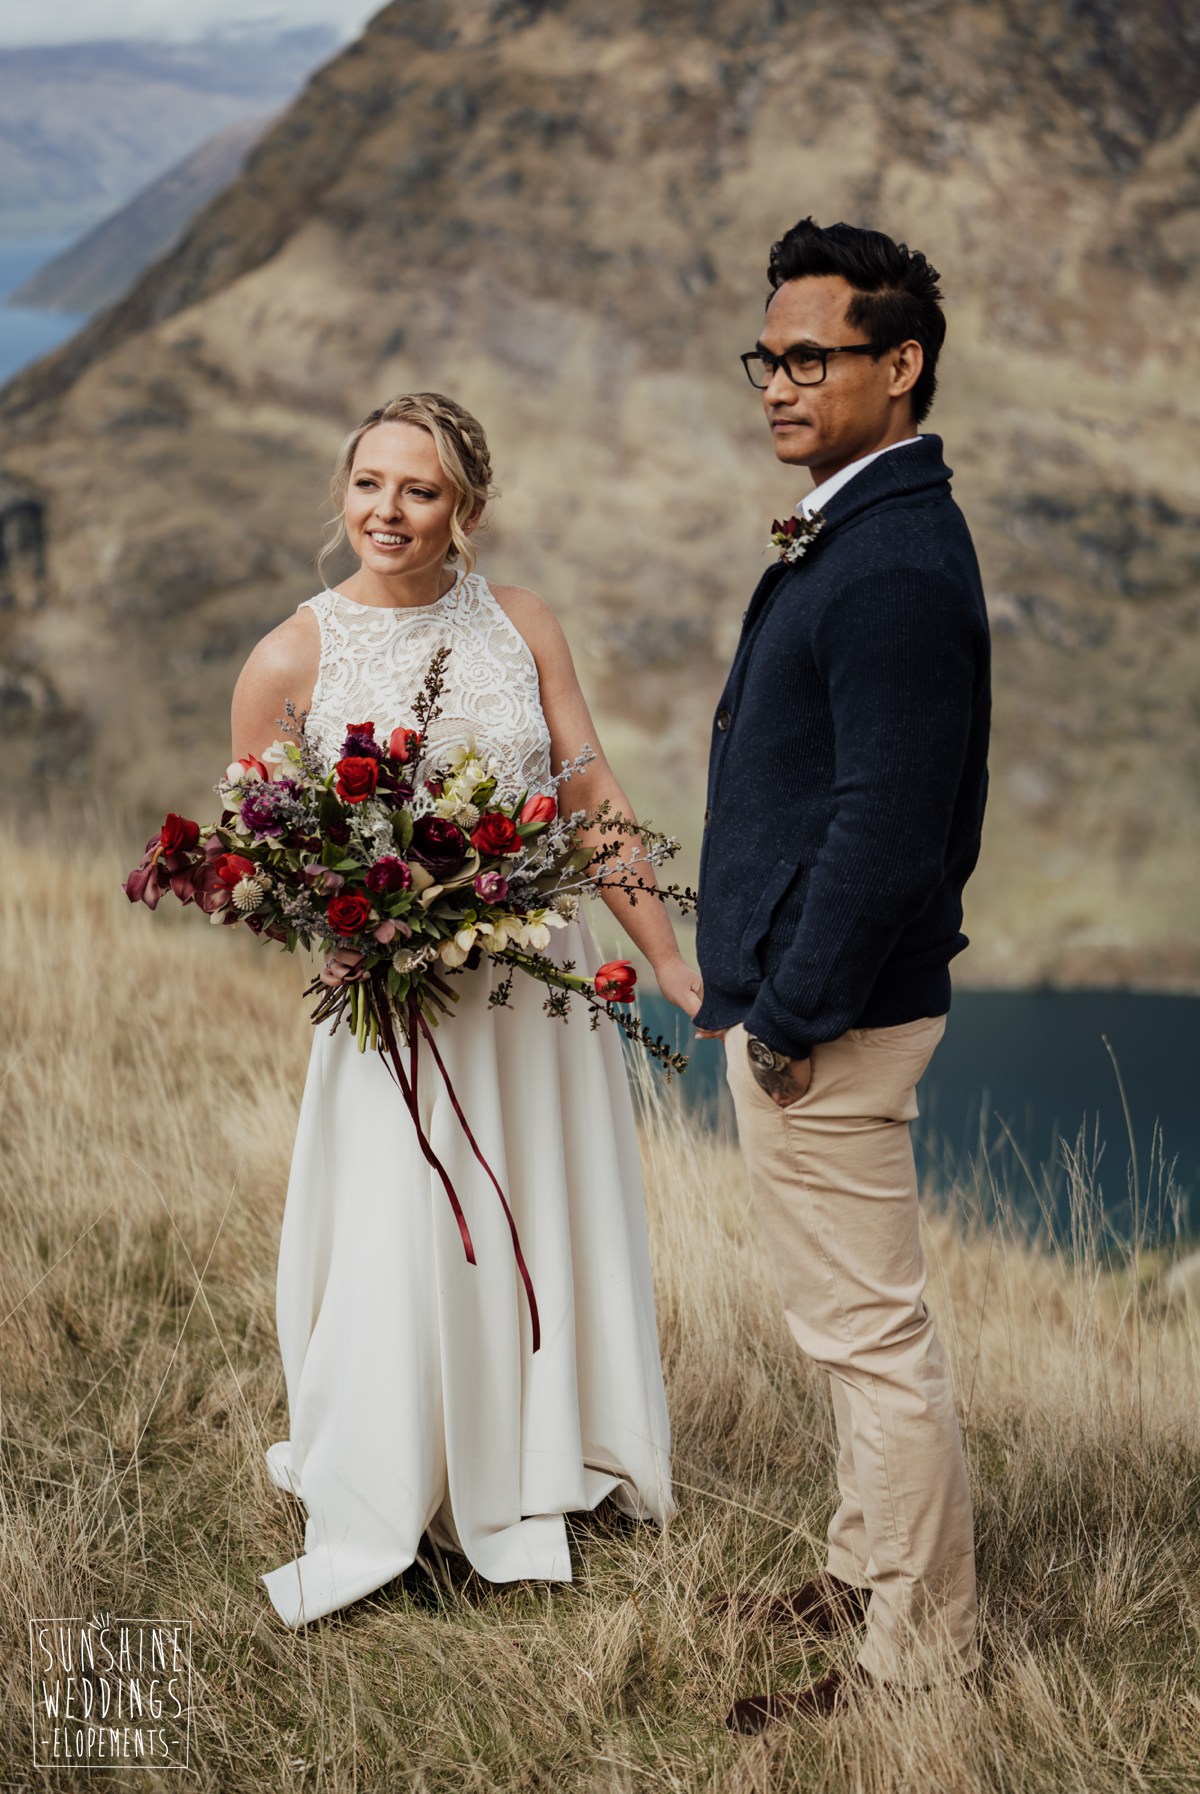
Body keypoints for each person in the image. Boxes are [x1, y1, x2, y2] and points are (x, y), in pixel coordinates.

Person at [232, 392, 696, 1626]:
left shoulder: (522, 622)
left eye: (420, 490)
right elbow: (263, 856)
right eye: (370, 483)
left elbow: (590, 789)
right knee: (403, 1226)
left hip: (535, 987)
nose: (388, 511)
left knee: (543, 1211)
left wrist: (666, 953)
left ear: (468, 511)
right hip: (399, 1001)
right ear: (344, 493)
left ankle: (541, 1457)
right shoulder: (291, 656)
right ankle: (399, 1483)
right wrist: (356, 937)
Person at [694, 218, 991, 1725]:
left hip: (833, 1022)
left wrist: (791, 1013)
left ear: (902, 362)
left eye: (811, 357)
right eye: (770, 355)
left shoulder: (888, 565)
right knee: (846, 1326)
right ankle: (869, 1564)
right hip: (816, 1004)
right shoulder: (865, 522)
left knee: (872, 1345)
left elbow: (885, 825)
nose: (778, 384)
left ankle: (920, 1656)